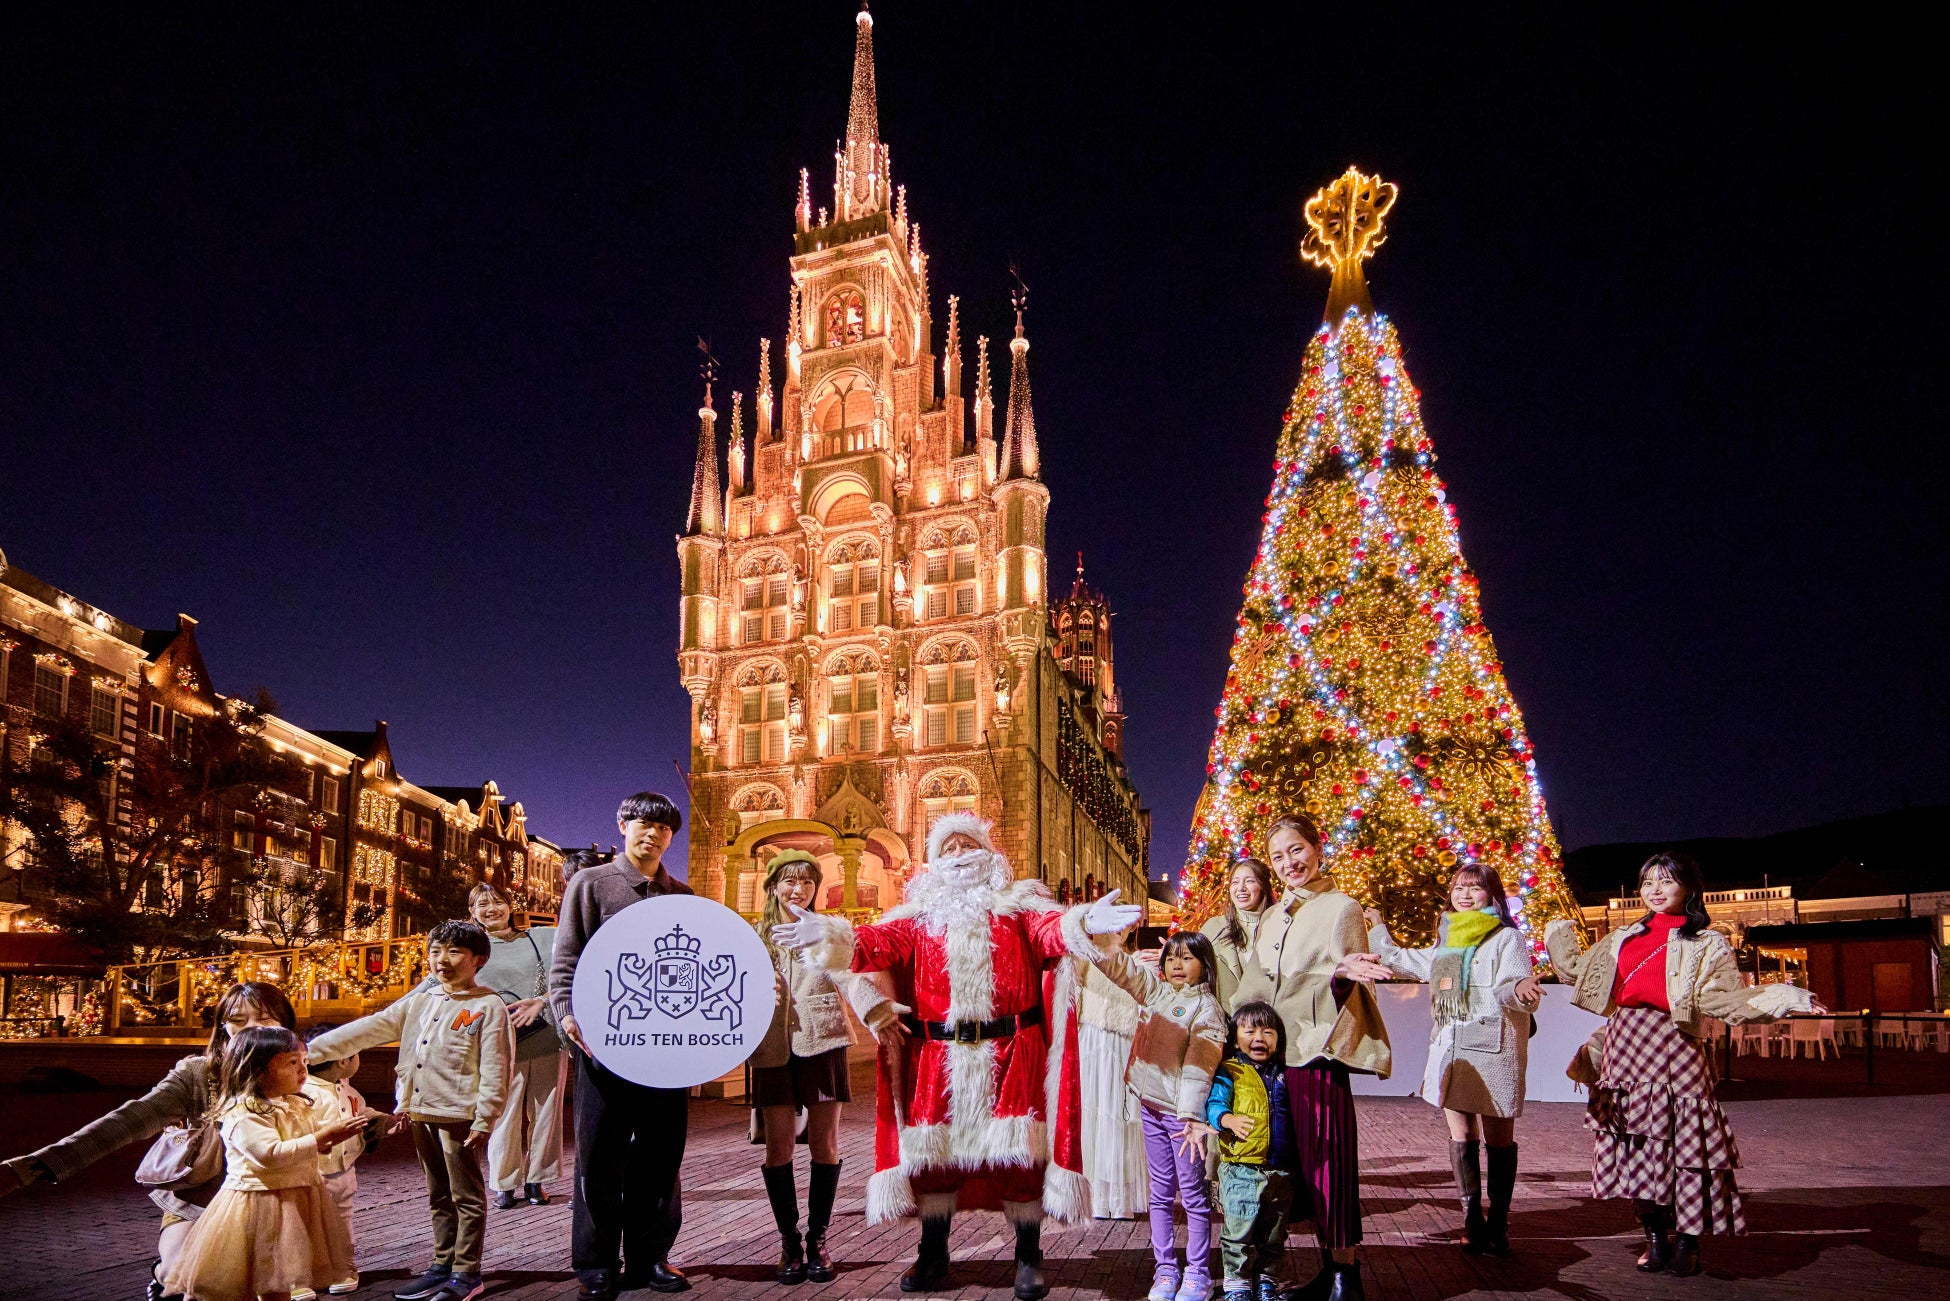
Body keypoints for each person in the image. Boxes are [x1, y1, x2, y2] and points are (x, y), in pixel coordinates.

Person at [771, 812, 1141, 1301]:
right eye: (948, 848)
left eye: (968, 845)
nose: (959, 853)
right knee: (933, 1160)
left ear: (989, 855)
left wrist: (1084, 922)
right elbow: (875, 944)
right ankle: (934, 1251)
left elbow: (1053, 931)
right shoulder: (917, 919)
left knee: (1018, 1157)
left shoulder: (1019, 909)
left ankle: (1028, 1255)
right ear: (933, 862)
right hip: (937, 1055)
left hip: (1011, 1051)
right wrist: (834, 935)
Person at [1546, 851, 1822, 1278]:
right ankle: (1655, 1236)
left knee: (1687, 1149)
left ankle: (1689, 1243)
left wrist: (1786, 997)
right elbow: (1578, 972)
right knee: (1635, 1145)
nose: (1655, 891)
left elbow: (1722, 998)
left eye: (1666, 881)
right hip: (1625, 1044)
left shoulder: (1706, 942)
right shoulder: (1623, 936)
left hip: (1676, 1045)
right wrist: (1556, 927)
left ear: (1689, 888)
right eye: (1648, 882)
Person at [0, 980, 299, 1301]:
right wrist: (27, 1169)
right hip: (198, 1204)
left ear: (285, 1026)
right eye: (237, 1021)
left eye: (264, 1019)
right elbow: (126, 1122)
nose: (249, 1029)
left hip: (272, 1209)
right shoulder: (198, 1075)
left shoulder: (301, 1072)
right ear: (222, 1027)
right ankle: (163, 1272)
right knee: (185, 1278)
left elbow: (350, 1043)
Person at [1232, 813, 1392, 1301]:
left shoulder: (1342, 906)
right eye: (1278, 856)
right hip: (1277, 1058)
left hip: (1317, 1055)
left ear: (1317, 848)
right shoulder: (1276, 915)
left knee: (1329, 1163)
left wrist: (1342, 974)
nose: (1288, 863)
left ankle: (1345, 1275)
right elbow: (1255, 985)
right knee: (1292, 1168)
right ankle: (1326, 1269)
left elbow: (1351, 976)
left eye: (1296, 850)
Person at [308, 920, 514, 1301]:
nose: (442, 960)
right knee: (438, 1193)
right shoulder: (422, 1000)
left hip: (458, 1117)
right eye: (436, 951)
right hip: (421, 1112)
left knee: (465, 1195)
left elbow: (496, 1067)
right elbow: (371, 1028)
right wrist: (307, 1052)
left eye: (454, 952)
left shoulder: (488, 1005)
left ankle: (467, 1273)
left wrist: (485, 1118)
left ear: (478, 959)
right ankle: (442, 1264)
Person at [547, 791, 693, 1301]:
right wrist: (567, 1015)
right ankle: (597, 1262)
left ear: (671, 836)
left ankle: (652, 1257)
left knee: (660, 1157)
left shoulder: (685, 897)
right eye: (642, 823)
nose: (652, 833)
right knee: (600, 1156)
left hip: (666, 1054)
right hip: (603, 1050)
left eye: (663, 827)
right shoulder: (591, 885)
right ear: (623, 825)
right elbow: (564, 961)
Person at [1363, 866, 1543, 1255]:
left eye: (1474, 888)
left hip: (1494, 1049)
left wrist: (1523, 988)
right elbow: (1400, 959)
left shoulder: (1507, 938)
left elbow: (1510, 983)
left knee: (1499, 1141)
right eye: (1459, 888)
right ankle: (1471, 1216)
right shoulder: (1446, 942)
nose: (1464, 894)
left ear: (1491, 896)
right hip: (1451, 1050)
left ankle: (1498, 1220)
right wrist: (1377, 926)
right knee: (1462, 1137)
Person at [750, 848, 899, 1284]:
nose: (799, 890)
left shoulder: (829, 932)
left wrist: (877, 1012)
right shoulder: (754, 936)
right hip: (773, 1047)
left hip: (823, 1040)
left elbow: (853, 977)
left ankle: (818, 1239)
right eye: (789, 882)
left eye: (808, 883)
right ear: (773, 886)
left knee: (825, 1145)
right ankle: (788, 1242)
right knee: (778, 1148)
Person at [1073, 925, 1228, 1301]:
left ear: (1204, 966)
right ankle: (1165, 1270)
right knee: (1160, 1193)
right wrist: (1095, 940)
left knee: (1192, 1194)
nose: (1177, 965)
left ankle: (1198, 1272)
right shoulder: (1158, 992)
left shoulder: (1206, 1009)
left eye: (1187, 958)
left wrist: (1191, 1118)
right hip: (1151, 1108)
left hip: (1182, 1120)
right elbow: (1125, 971)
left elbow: (1199, 1066)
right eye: (1171, 957)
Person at [161, 1025, 367, 1301]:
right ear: (256, 1070)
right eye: (292, 1063)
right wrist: (318, 1140)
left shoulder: (292, 1104)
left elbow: (300, 1142)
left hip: (294, 1198)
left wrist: (328, 1140)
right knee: (252, 1277)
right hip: (259, 1203)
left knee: (279, 1276)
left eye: (304, 1062)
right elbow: (268, 1154)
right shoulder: (244, 1111)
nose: (303, 1071)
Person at [460, 881, 566, 1211]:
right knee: (503, 1115)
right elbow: (443, 991)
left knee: (547, 1112)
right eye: (482, 905)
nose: (491, 909)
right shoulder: (467, 952)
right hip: (501, 1045)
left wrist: (543, 1001)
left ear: (510, 905)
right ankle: (504, 1182)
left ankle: (537, 1180)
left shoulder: (541, 937)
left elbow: (567, 976)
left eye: (498, 901)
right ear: (472, 913)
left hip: (547, 1035)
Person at [1206, 1001, 1297, 1301]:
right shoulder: (1229, 1071)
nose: (1259, 1037)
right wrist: (1227, 1119)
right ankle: (1237, 1283)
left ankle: (1267, 1279)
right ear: (1235, 1039)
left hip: (1279, 1169)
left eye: (1268, 1031)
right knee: (1238, 1230)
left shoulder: (1285, 1074)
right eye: (1250, 1030)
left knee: (1274, 1233)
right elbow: (1215, 1104)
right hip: (1241, 1168)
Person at [297, 1028, 378, 1299]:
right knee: (303, 1222)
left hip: (344, 1169)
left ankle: (343, 1267)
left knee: (342, 1220)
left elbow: (360, 1110)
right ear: (343, 1059)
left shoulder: (346, 1088)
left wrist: (380, 1121)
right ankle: (299, 1274)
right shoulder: (303, 1092)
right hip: (310, 1171)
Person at [1074, 935, 1147, 1221]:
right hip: (1090, 1040)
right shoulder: (1083, 958)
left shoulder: (1138, 961)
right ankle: (1092, 1195)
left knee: (1119, 1117)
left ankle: (1118, 1197)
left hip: (1121, 1042)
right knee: (1092, 1116)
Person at [1201, 858, 1275, 1008]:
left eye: (1249, 881)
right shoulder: (1213, 927)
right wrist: (1173, 952)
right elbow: (1194, 966)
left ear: (1263, 886)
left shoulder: (1279, 924)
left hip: (1270, 1022)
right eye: (1235, 882)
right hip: (1228, 1021)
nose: (1240, 888)